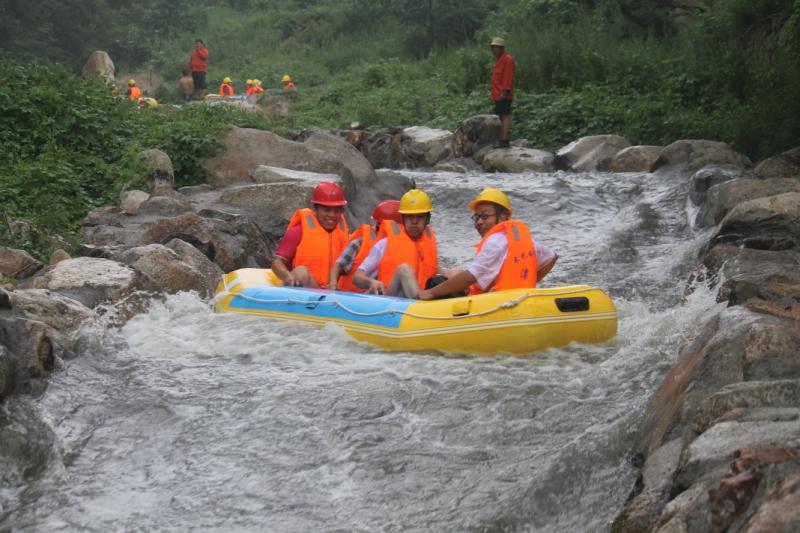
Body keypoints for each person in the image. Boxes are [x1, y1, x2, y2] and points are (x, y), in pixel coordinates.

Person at [418, 187, 558, 300]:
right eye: (476, 217)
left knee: (435, 282)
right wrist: (531, 282)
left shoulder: (495, 241)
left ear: (503, 216)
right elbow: (552, 257)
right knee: (452, 272)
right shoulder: (523, 240)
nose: (479, 222)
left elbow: (470, 277)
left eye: (485, 216)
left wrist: (430, 293)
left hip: (495, 306)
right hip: (518, 299)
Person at [352, 189, 438, 298]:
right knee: (404, 269)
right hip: (390, 300)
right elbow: (357, 277)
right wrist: (371, 282)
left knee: (453, 273)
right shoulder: (385, 243)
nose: (414, 222)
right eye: (410, 217)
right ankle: (420, 305)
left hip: (421, 296)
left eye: (420, 217)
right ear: (402, 218)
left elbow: (434, 270)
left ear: (427, 219)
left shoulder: (428, 244)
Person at [272, 182, 350, 289]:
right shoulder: (298, 231)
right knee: (301, 272)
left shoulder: (344, 233)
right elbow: (278, 262)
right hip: (309, 289)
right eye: (327, 210)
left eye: (336, 211)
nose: (332, 215)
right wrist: (287, 276)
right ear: (315, 210)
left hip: (336, 291)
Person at [330, 200, 402, 292]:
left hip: (385, 296)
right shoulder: (359, 243)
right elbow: (338, 266)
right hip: (351, 296)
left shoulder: (402, 246)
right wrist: (333, 286)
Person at [490, 37, 515, 149]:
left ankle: (504, 140)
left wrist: (504, 92)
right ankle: (503, 138)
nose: (494, 49)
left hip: (503, 94)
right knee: (501, 116)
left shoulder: (507, 59)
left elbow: (508, 77)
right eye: (493, 47)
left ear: (501, 48)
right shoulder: (499, 60)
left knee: (504, 116)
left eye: (496, 47)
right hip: (497, 94)